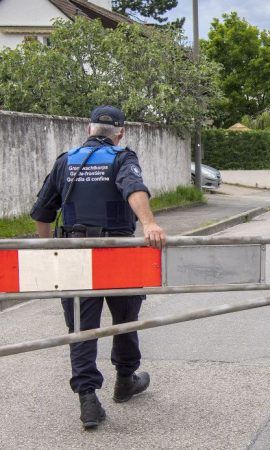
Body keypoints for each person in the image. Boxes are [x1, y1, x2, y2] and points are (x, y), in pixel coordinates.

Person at [30, 105, 166, 429]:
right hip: (116, 254)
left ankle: (88, 401)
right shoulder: (122, 158)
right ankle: (125, 380)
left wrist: (51, 250)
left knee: (81, 327)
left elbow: (41, 213)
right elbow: (134, 189)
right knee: (125, 320)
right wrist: (149, 224)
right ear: (120, 132)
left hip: (75, 253)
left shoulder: (66, 161)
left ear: (88, 129)